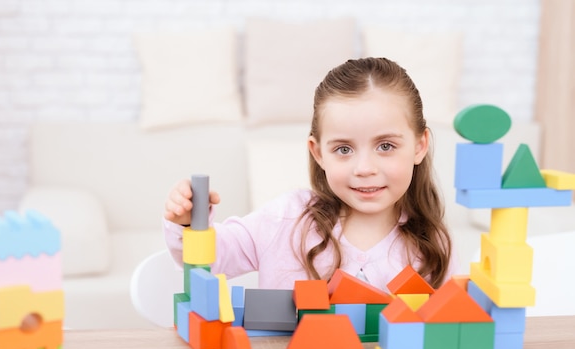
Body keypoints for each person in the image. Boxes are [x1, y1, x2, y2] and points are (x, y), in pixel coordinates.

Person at [164, 57, 459, 291]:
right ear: (318, 153)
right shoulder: (286, 219)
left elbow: (449, 332)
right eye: (344, 149)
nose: (365, 168)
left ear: (420, 146)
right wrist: (190, 222)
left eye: (385, 145)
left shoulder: (434, 245)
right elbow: (208, 259)